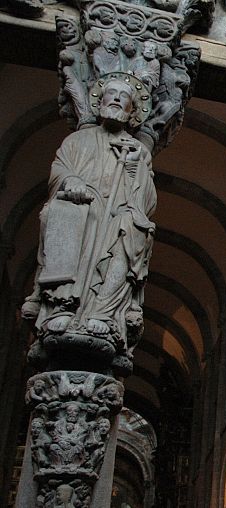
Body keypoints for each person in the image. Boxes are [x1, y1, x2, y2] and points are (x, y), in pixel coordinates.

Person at [22, 77, 156, 361]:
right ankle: (63, 306)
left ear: (133, 109)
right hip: (82, 210)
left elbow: (148, 201)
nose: (117, 99)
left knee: (131, 229)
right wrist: (70, 180)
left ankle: (103, 311)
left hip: (119, 215)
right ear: (100, 101)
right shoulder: (77, 140)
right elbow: (59, 170)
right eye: (112, 93)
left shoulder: (138, 150)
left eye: (124, 96)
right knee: (66, 216)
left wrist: (135, 168)